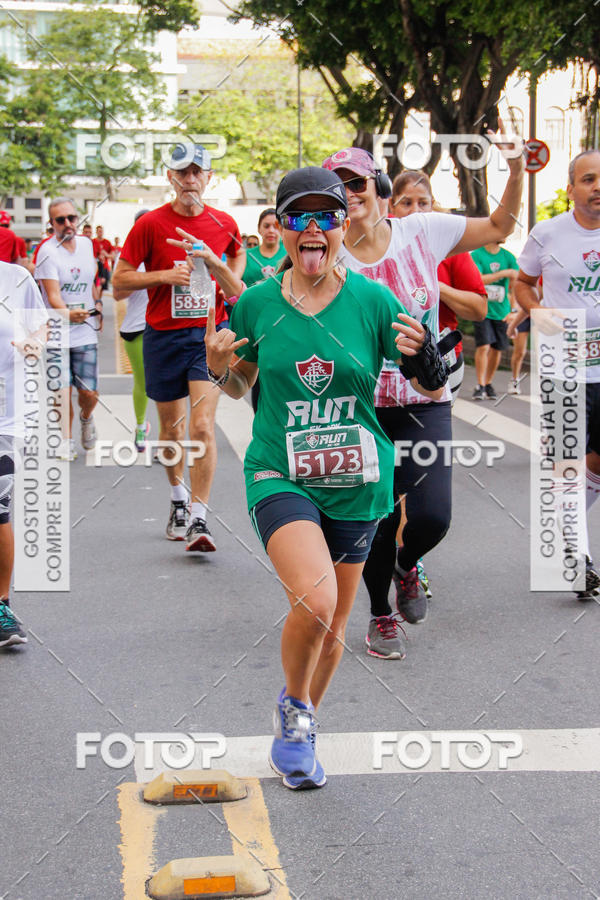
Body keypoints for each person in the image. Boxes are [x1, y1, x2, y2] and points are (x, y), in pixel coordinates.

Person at [204, 166, 447, 789]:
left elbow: (426, 385)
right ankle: (293, 705)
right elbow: (239, 387)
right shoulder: (256, 302)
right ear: (282, 227)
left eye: (326, 216)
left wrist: (426, 359)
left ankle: (304, 721)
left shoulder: (372, 299)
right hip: (279, 471)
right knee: (313, 602)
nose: (313, 228)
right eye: (298, 216)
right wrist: (217, 367)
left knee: (335, 621)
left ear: (344, 224)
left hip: (359, 479)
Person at [322, 133, 523, 658]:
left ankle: (407, 567)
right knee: (376, 519)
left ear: (379, 188)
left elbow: (500, 226)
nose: (349, 194)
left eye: (357, 183)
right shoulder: (326, 259)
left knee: (433, 516)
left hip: (424, 399)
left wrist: (517, 169)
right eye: (337, 188)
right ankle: (381, 615)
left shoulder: (425, 231)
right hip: (362, 409)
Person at [112, 143, 245, 551]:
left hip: (208, 338)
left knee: (203, 425)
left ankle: (201, 518)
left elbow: (237, 254)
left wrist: (227, 280)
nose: (190, 180)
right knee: (171, 430)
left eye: (197, 173)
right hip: (163, 335)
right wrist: (165, 275)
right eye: (182, 173)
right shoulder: (150, 225)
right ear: (170, 177)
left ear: (209, 177)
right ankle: (177, 499)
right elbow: (119, 283)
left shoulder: (224, 222)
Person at [515, 148, 600, 599]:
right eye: (588, 179)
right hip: (563, 363)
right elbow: (523, 283)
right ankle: (578, 557)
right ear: (571, 189)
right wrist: (536, 311)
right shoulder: (547, 234)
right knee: (567, 465)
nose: (597, 187)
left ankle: (567, 525)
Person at [390, 171, 487, 404]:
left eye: (423, 203)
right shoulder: (375, 247)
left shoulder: (449, 247)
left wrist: (436, 286)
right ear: (391, 206)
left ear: (432, 205)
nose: (415, 211)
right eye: (406, 203)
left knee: (431, 435)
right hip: (383, 365)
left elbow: (479, 309)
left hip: (438, 360)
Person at [0, 261, 48, 648]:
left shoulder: (16, 278)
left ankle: (1, 605)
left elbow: (41, 325)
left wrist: (37, 344)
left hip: (5, 417)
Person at [34, 197, 103, 461]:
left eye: (71, 218)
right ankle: (65, 440)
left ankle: (86, 418)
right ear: (51, 224)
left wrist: (96, 303)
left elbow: (91, 282)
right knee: (61, 389)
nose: (67, 224)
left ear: (78, 219)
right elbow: (52, 296)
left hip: (85, 330)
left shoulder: (86, 245)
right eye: (59, 220)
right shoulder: (47, 252)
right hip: (56, 331)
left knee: (89, 392)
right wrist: (68, 314)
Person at [242, 208, 288, 412]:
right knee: (258, 372)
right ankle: (261, 419)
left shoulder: (290, 252)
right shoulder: (246, 256)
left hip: (284, 324)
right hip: (255, 325)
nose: (271, 230)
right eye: (266, 225)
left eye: (275, 225)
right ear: (259, 229)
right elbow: (236, 287)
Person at [114, 210, 152, 450]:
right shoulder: (129, 259)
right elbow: (118, 293)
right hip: (137, 327)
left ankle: (173, 435)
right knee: (144, 382)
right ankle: (140, 427)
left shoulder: (171, 253)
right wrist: (150, 277)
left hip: (168, 327)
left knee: (175, 384)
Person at [471, 240, 518, 400]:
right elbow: (477, 279)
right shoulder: (477, 255)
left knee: (498, 348)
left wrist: (514, 311)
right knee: (484, 345)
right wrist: (503, 274)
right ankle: (480, 384)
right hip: (483, 309)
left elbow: (515, 285)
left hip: (502, 311)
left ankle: (488, 382)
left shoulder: (508, 257)